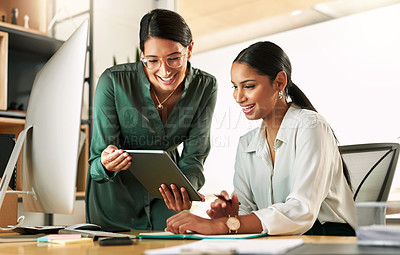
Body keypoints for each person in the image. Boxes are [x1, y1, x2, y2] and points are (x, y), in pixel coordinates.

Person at [165, 41, 356, 236]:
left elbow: (301, 210)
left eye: (248, 86)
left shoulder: (310, 126)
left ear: (280, 82)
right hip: (279, 239)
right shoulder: (247, 143)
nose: (238, 97)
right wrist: (230, 215)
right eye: (234, 87)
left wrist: (223, 226)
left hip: (328, 236)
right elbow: (247, 213)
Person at [85, 9, 217, 231]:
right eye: (152, 60)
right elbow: (97, 161)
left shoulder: (205, 87)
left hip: (167, 201)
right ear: (141, 54)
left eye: (174, 58)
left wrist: (186, 190)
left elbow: (195, 155)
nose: (164, 71)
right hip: (115, 205)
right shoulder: (114, 82)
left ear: (190, 49)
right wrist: (106, 164)